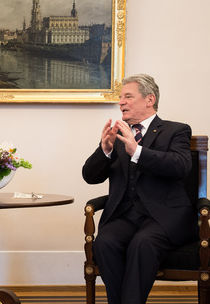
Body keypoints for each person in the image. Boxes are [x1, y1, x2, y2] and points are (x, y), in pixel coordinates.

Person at [82, 74, 198, 304]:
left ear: (149, 99)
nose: (121, 102)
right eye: (120, 97)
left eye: (128, 96)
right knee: (104, 243)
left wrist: (137, 152)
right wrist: (104, 150)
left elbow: (181, 166)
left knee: (142, 243)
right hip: (125, 216)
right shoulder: (117, 136)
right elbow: (90, 177)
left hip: (165, 217)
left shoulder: (176, 130)